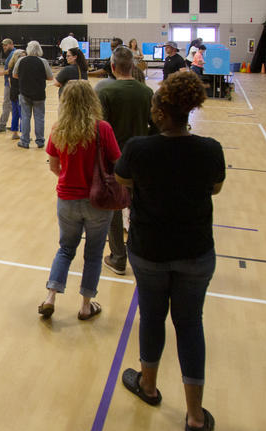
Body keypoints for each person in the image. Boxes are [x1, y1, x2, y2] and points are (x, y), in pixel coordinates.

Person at [116, 71, 224, 431]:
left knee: (151, 317)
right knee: (190, 324)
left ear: (161, 113)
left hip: (149, 250)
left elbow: (125, 181)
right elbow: (216, 188)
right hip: (195, 250)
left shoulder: (138, 148)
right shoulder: (210, 149)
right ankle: (195, 416)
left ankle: (148, 386)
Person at [38, 80, 120, 320]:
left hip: (67, 198)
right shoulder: (102, 128)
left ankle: (50, 296)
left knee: (65, 249)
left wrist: (68, 176)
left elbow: (54, 166)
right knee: (93, 254)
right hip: (98, 201)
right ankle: (86, 305)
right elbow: (117, 161)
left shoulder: (58, 129)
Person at [98, 46, 155, 276]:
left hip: (114, 159)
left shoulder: (106, 92)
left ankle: (118, 257)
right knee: (138, 206)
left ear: (112, 67)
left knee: (114, 208)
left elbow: (100, 129)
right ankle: (143, 253)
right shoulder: (147, 92)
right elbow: (157, 125)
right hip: (140, 159)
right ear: (133, 66)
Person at [12, 40, 53, 148]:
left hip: (24, 92)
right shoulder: (43, 61)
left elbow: (14, 75)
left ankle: (24, 141)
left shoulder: (21, 60)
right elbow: (50, 77)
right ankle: (40, 141)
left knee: (25, 117)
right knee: (39, 117)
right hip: (39, 93)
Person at [0, 38, 16, 133]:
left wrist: (2, 72)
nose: (4, 47)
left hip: (10, 84)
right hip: (10, 83)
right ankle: (15, 124)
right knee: (12, 105)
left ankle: (2, 125)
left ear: (11, 44)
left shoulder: (13, 54)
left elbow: (12, 70)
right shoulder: (12, 54)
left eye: (6, 45)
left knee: (6, 104)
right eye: (3, 46)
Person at [7, 49, 26, 140]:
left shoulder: (11, 68)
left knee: (15, 114)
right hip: (19, 93)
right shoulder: (20, 68)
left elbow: (9, 81)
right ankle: (24, 134)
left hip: (13, 92)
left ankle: (14, 133)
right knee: (23, 114)